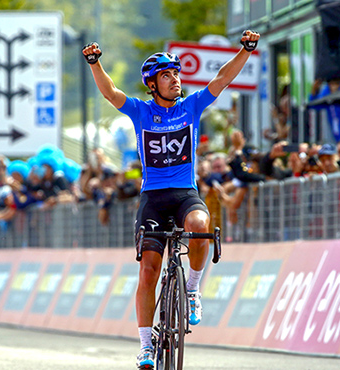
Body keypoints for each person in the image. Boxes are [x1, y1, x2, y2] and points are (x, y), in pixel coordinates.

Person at [82, 29, 260, 369]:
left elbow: (222, 79)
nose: (175, 78)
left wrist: (246, 51)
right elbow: (110, 93)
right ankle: (146, 346)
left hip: (184, 193)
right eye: (167, 75)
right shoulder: (140, 111)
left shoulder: (191, 106)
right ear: (153, 84)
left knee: (199, 225)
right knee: (148, 271)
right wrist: (95, 63)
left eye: (177, 73)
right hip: (152, 197)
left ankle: (192, 288)